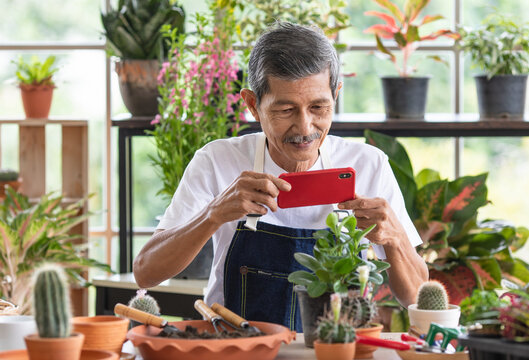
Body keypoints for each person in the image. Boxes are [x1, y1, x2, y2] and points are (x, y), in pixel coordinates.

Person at [134, 22, 428, 331]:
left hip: (335, 351)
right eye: (286, 110)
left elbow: (416, 299)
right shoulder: (216, 161)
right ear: (252, 105)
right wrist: (213, 215)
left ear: (336, 95)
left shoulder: (369, 164)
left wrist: (394, 239)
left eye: (318, 107)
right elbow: (146, 273)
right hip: (238, 348)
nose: (305, 127)